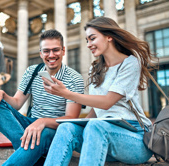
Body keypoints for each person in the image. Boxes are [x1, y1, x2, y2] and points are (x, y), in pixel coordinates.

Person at [43, 17, 156, 165]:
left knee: (96, 126)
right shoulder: (95, 69)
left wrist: (66, 93)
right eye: (87, 41)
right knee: (67, 128)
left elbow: (107, 102)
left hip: (136, 139)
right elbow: (97, 110)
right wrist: (79, 123)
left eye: (92, 38)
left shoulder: (130, 63)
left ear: (109, 36)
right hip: (102, 137)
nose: (89, 44)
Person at [0, 29, 84, 165]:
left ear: (63, 51)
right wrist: (3, 95)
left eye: (56, 50)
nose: (51, 55)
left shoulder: (75, 78)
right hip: (30, 125)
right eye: (46, 51)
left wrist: (43, 122)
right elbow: (17, 102)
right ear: (40, 53)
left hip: (54, 130)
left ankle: (27, 155)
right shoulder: (32, 72)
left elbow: (71, 119)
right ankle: (30, 153)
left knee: (43, 134)